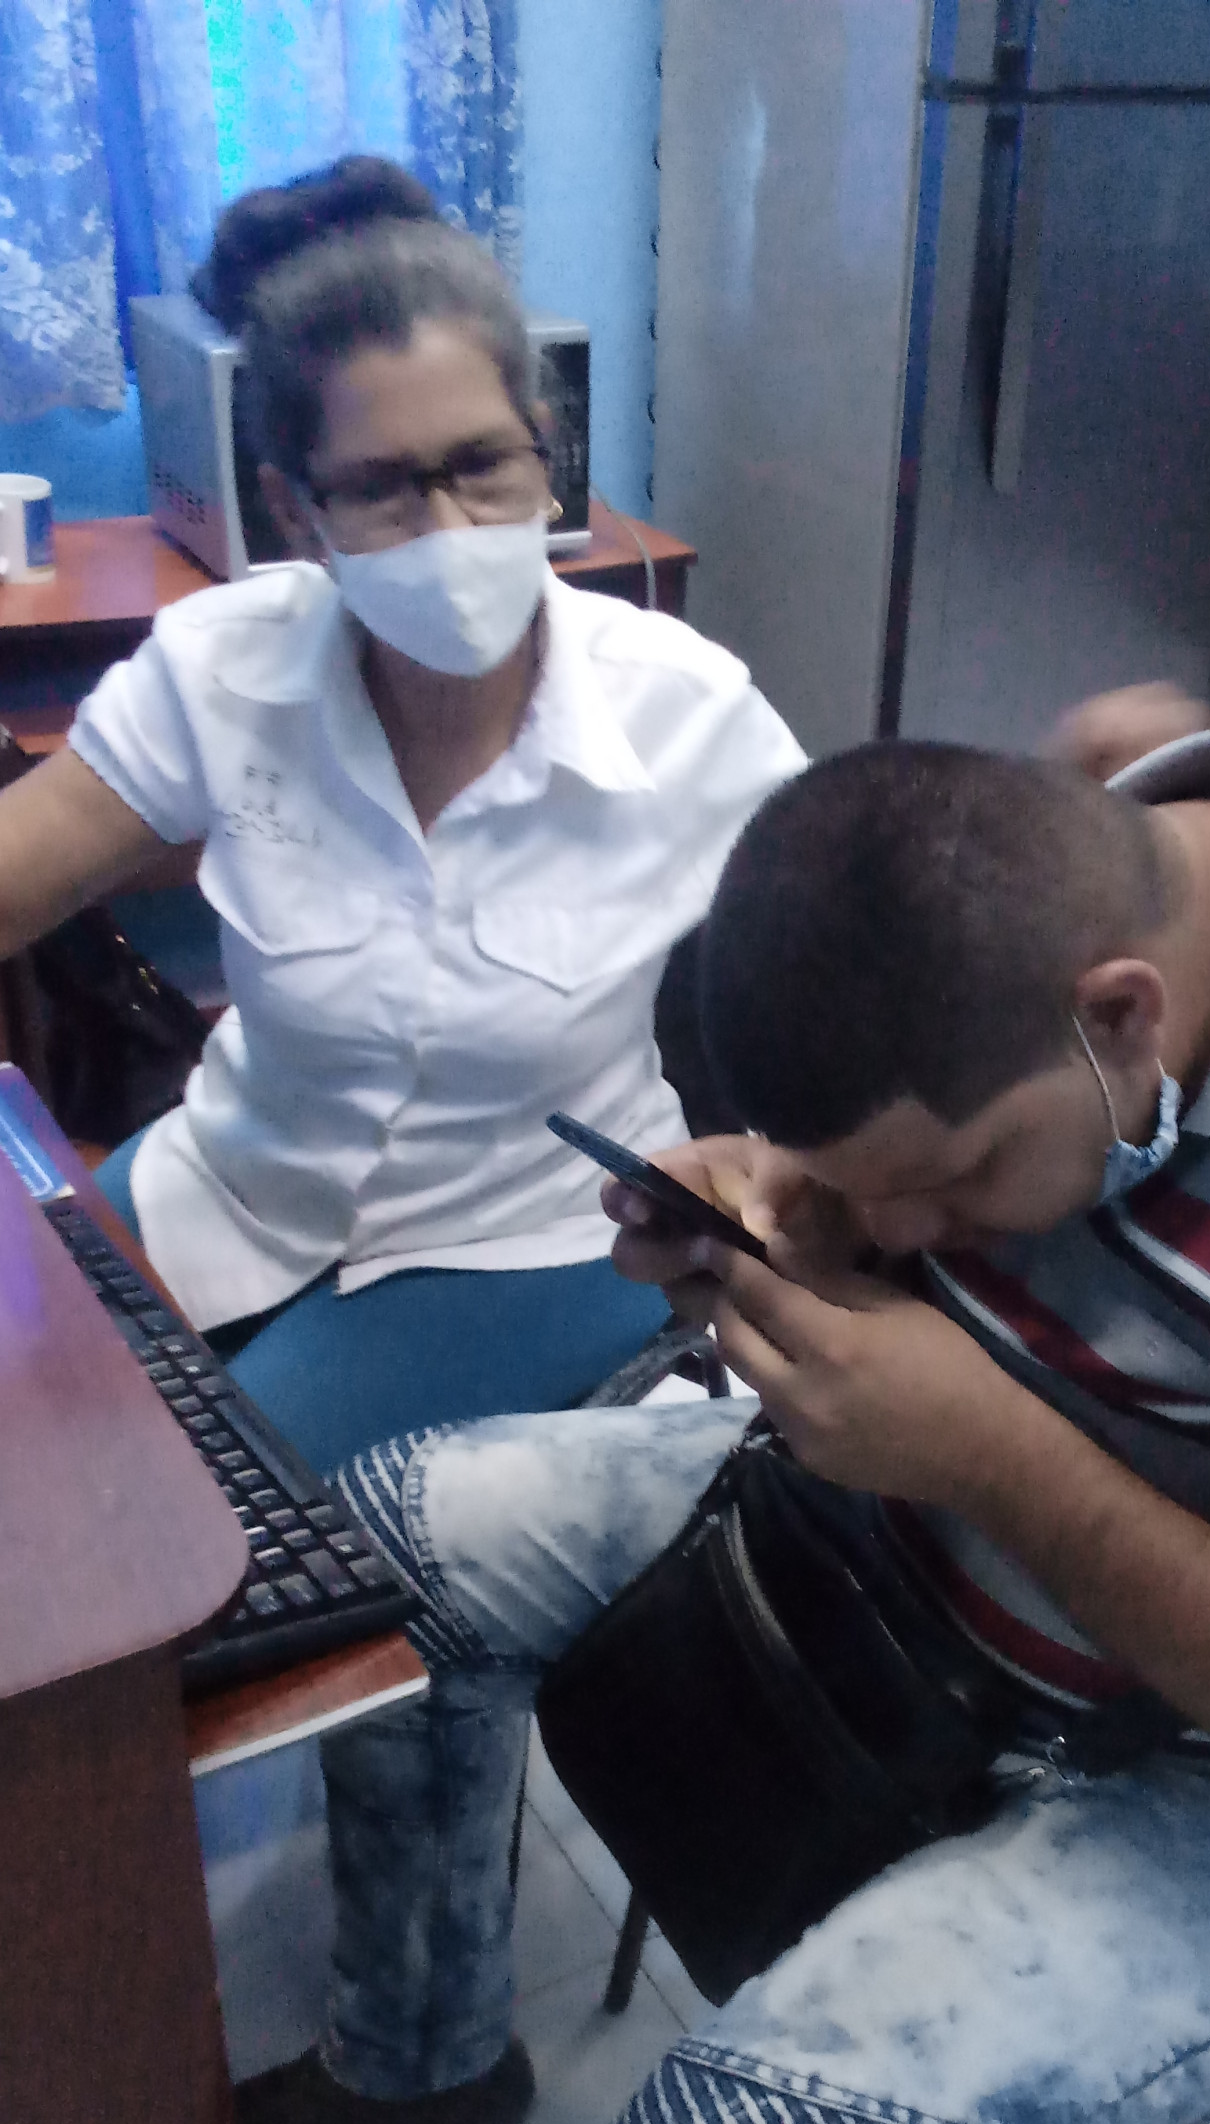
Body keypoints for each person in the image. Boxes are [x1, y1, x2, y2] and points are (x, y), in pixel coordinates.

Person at [300, 697, 1210, 2124]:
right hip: (923, 1516)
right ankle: (419, 2055)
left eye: (954, 1178)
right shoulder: (1051, 858)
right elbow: (875, 1204)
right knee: (381, 1558)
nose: (912, 1231)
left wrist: (997, 1458)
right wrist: (778, 1209)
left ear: (1125, 1015)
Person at [0, 155, 805, 1473]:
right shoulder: (221, 669)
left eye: (482, 466)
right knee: (27, 1442)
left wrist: (783, 1175)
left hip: (529, 1239)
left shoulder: (684, 710)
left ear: (546, 455)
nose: (446, 528)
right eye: (379, 487)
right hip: (235, 1180)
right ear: (294, 509)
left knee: (202, 1512)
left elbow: (866, 977)